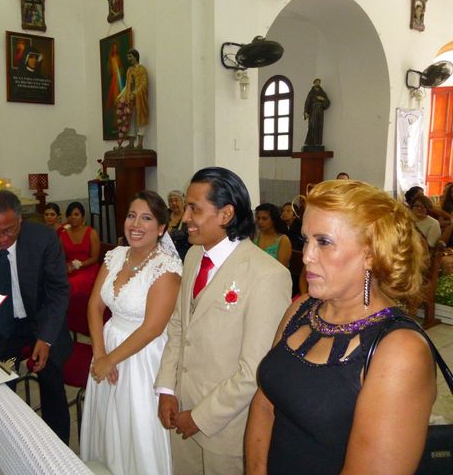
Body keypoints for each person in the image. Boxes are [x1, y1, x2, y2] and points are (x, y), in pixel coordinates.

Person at [245, 180, 436, 474]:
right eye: (306, 239)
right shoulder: (302, 308)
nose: (306, 255)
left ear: (372, 253)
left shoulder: (400, 351)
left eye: (323, 241)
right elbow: (265, 403)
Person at [155, 167, 292, 474]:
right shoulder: (193, 256)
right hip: (182, 409)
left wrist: (200, 417)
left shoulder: (267, 275)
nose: (186, 217)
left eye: (195, 209)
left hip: (226, 427)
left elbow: (254, 369)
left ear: (226, 214)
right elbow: (179, 326)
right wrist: (166, 388)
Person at [0, 190, 72, 443]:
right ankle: (4, 448)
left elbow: (58, 291)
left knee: (52, 385)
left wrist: (47, 338)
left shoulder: (44, 238)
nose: (2, 239)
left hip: (43, 321)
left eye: (9, 230)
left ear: (20, 220)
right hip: (1, 327)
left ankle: (58, 448)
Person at [80, 190, 182, 475]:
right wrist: (100, 354)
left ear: (161, 228)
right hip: (108, 343)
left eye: (146, 218)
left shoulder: (166, 268)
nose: (135, 224)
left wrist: (111, 359)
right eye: (131, 215)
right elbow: (94, 306)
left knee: (136, 423)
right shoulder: (115, 255)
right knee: (107, 420)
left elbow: (153, 328)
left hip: (143, 355)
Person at [59, 202, 101, 300]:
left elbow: (95, 258)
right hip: (70, 270)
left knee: (74, 283)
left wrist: (80, 264)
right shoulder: (62, 235)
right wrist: (67, 266)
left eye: (76, 214)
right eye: (70, 215)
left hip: (89, 269)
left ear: (82, 216)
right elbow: (60, 257)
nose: (73, 217)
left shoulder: (91, 233)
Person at [117, 49, 149, 149]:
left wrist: (135, 93)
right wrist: (120, 96)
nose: (129, 59)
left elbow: (144, 84)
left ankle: (140, 144)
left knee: (140, 121)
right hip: (130, 101)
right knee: (131, 121)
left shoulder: (142, 69)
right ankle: (131, 143)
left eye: (130, 56)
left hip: (140, 100)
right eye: (128, 57)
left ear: (136, 56)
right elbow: (127, 85)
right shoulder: (129, 70)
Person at [254, 203, 292, 267]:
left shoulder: (283, 240)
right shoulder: (256, 236)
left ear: (274, 220)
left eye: (264, 219)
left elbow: (281, 269)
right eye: (258, 218)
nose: (260, 222)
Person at [303, 78, 330, 149]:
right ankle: (310, 142)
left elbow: (327, 102)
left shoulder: (322, 93)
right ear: (314, 83)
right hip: (313, 110)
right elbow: (307, 103)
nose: (318, 83)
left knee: (319, 126)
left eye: (319, 82)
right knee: (312, 125)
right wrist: (306, 112)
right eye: (316, 82)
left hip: (320, 111)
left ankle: (318, 143)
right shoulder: (311, 93)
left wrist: (323, 99)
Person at [167, 189, 191, 261]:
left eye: (176, 200)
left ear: (183, 201)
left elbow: (186, 232)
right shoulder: (165, 214)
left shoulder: (188, 215)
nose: (173, 203)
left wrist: (169, 234)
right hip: (166, 252)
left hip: (183, 252)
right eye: (171, 201)